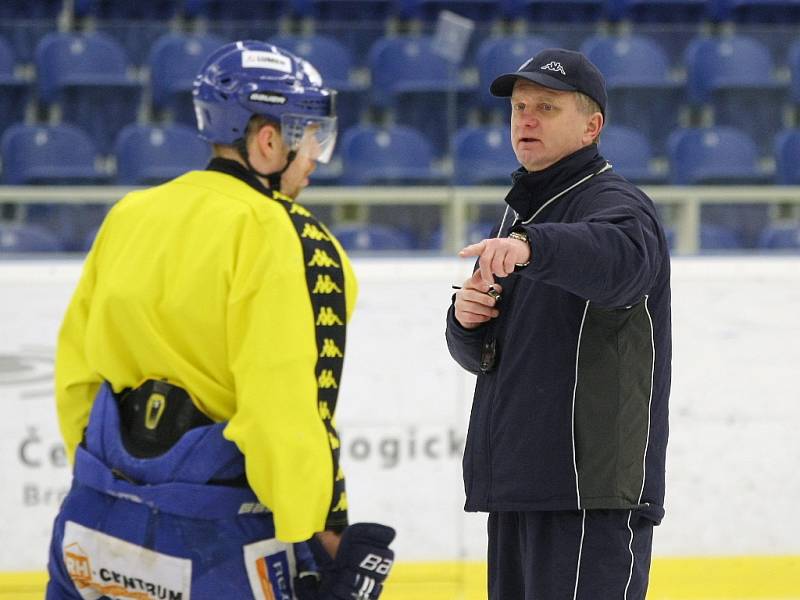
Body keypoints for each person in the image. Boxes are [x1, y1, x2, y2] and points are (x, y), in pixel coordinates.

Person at [46, 41, 394, 600]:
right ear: (266, 140)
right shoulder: (290, 234)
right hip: (213, 539)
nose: (312, 160)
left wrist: (113, 489)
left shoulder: (130, 213)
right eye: (309, 140)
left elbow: (75, 378)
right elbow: (285, 407)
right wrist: (320, 534)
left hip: (89, 523)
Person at [445, 48, 671, 599]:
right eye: (520, 107)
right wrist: (466, 322)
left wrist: (531, 246)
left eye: (546, 107)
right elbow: (488, 356)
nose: (525, 118)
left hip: (588, 496)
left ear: (592, 125)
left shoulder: (617, 206)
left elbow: (617, 262)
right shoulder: (523, 214)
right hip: (522, 487)